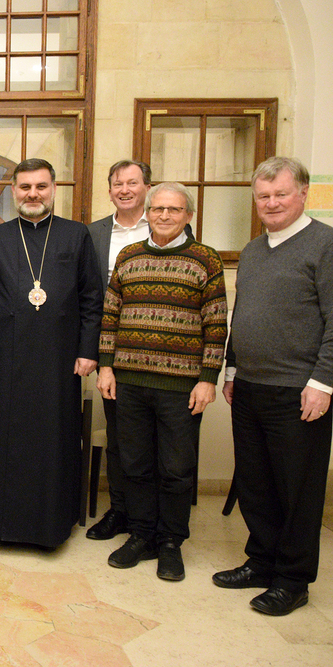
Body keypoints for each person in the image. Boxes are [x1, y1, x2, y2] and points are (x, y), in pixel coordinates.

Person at [214, 157, 333, 616]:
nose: (272, 203)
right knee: (256, 481)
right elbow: (243, 317)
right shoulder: (254, 250)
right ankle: (261, 561)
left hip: (299, 389)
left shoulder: (324, 245)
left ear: (302, 192)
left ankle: (292, 579)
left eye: (280, 194)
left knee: (296, 490)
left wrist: (323, 382)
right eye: (263, 196)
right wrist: (231, 370)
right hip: (250, 386)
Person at [0, 158, 103, 548]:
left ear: (53, 189)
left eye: (40, 186)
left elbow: (92, 300)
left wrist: (87, 350)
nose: (32, 194)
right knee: (7, 441)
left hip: (60, 361)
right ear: (13, 192)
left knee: (54, 441)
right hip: (5, 362)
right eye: (24, 187)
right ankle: (3, 527)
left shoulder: (76, 236)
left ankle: (52, 527)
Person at [97, 182, 227, 581]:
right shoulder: (129, 255)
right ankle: (141, 535)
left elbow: (217, 323)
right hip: (129, 382)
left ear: (188, 215)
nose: (165, 216)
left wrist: (208, 379)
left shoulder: (205, 259)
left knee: (175, 469)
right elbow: (110, 315)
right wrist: (106, 366)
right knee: (135, 465)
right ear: (148, 212)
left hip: (181, 387)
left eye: (174, 209)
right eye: (158, 209)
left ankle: (170, 542)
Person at [85, 160, 152, 540]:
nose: (124, 189)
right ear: (109, 189)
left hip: (159, 351)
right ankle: (120, 511)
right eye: (117, 183)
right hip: (110, 350)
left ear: (146, 187)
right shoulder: (92, 233)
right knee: (118, 435)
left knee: (155, 443)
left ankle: (153, 519)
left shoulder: (165, 226)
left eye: (132, 182)